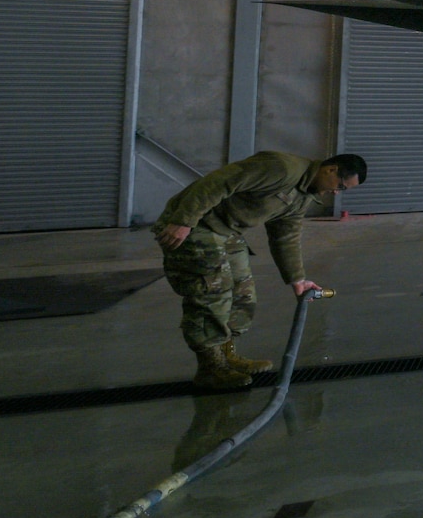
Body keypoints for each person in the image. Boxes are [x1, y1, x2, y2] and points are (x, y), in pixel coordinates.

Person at [152, 151, 366, 388]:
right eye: (341, 186)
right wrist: (184, 220)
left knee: (243, 296)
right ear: (331, 169)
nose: (337, 193)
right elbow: (219, 182)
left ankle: (227, 357)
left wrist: (297, 279)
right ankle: (211, 367)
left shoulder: (305, 195)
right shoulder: (281, 169)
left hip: (227, 232)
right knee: (212, 294)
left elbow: (286, 236)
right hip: (196, 225)